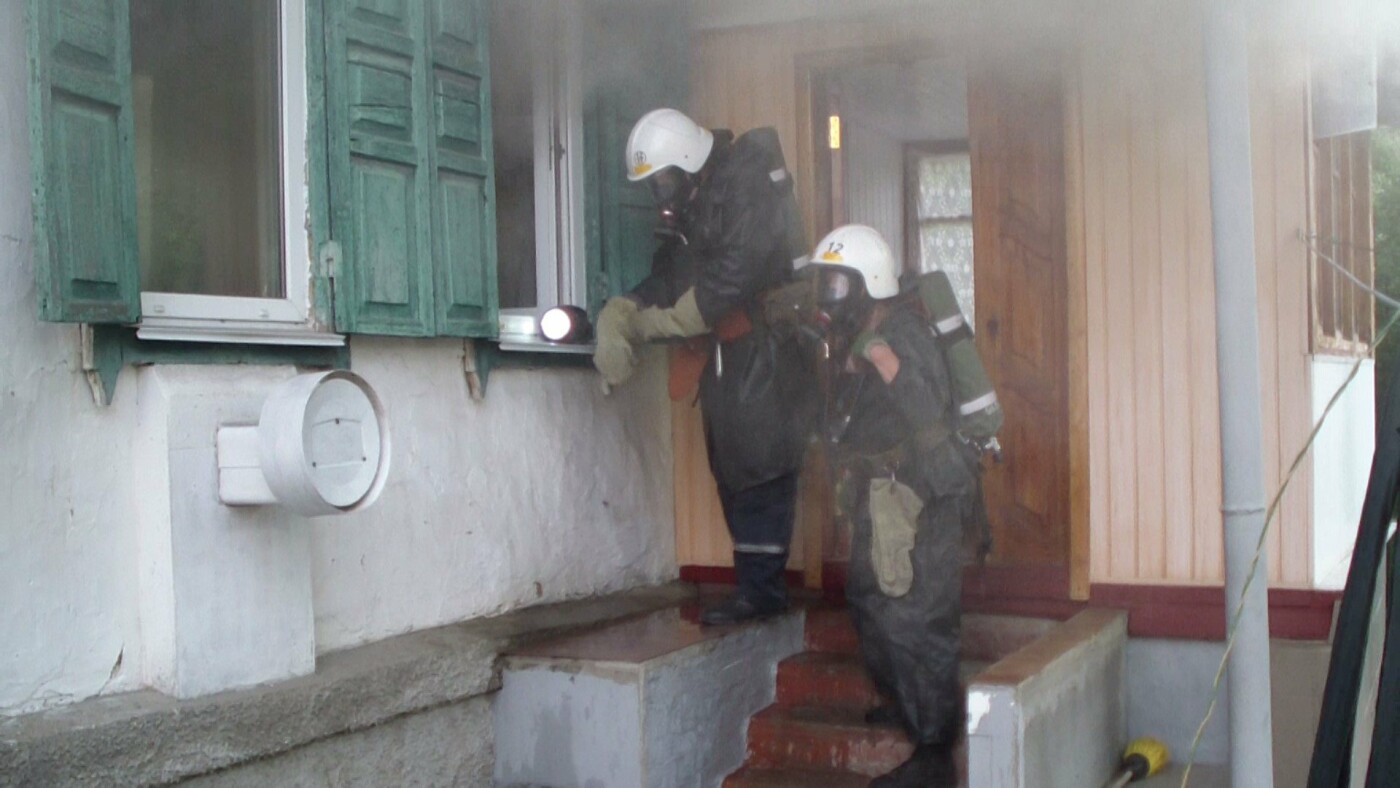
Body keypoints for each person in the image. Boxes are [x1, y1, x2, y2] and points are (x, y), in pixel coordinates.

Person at [592, 108, 811, 626]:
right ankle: (756, 589)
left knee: (761, 466)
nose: (659, 195)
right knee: (733, 466)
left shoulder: (744, 185)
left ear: (687, 162)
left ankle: (762, 593)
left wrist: (656, 324)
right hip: (727, 355)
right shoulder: (698, 202)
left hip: (767, 353)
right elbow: (671, 277)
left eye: (663, 181)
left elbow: (734, 275)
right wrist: (626, 307)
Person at [808, 224, 980, 787]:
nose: (829, 296)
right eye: (826, 284)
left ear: (869, 284)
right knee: (867, 598)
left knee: (918, 616)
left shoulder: (903, 332)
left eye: (838, 284)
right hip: (880, 494)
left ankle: (934, 752)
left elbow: (926, 411)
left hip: (919, 497)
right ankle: (906, 702)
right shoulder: (863, 332)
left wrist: (882, 358)